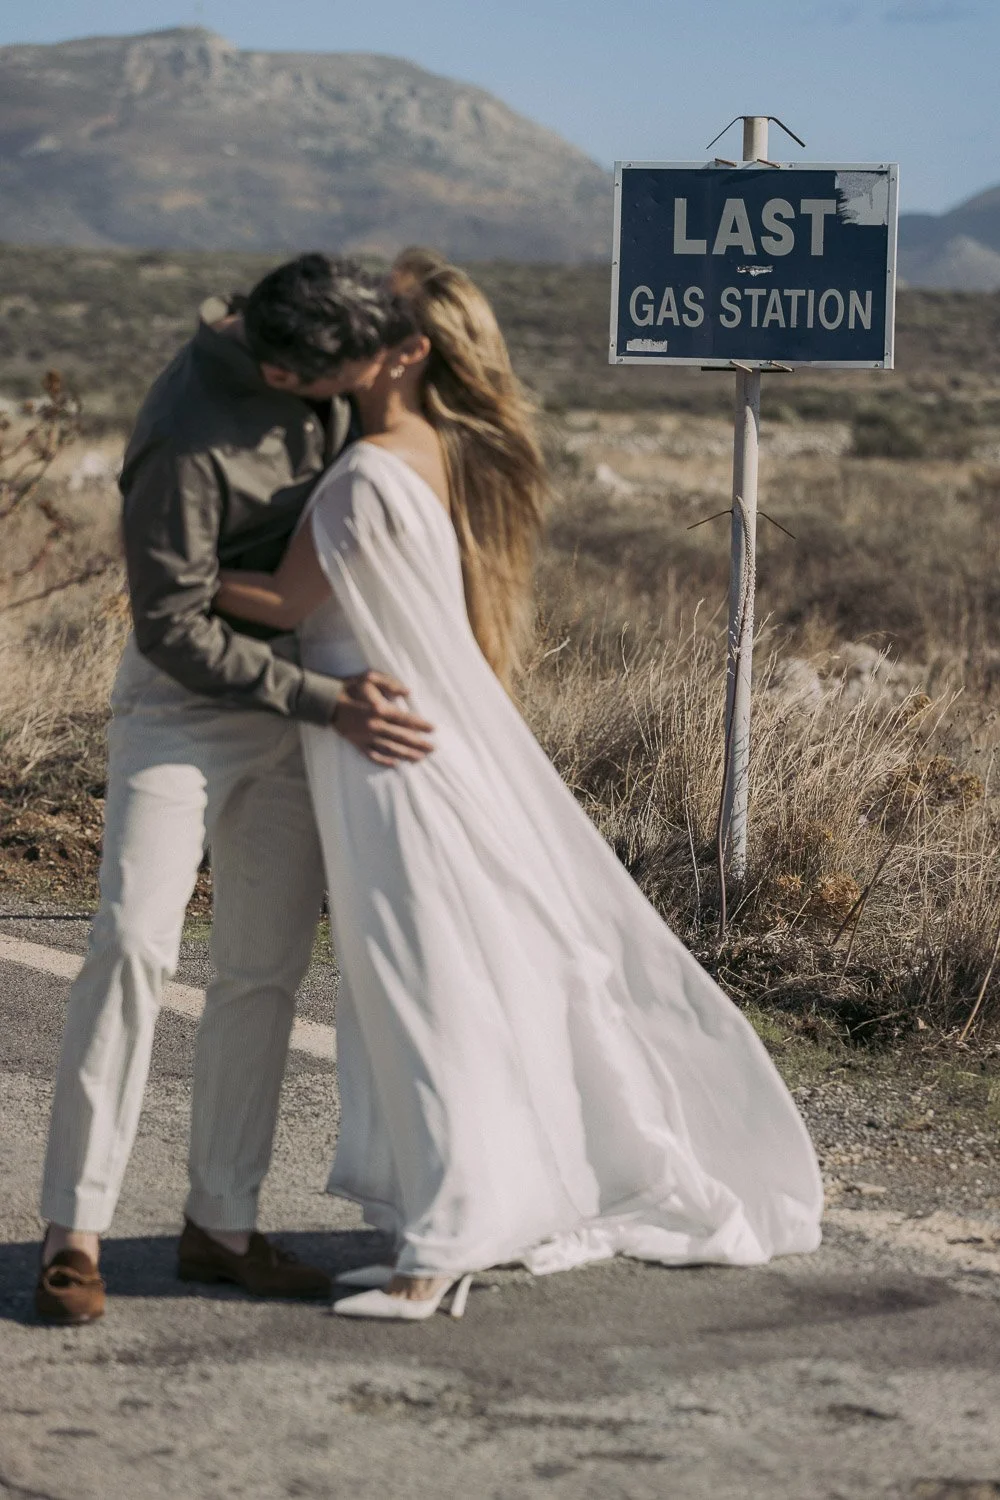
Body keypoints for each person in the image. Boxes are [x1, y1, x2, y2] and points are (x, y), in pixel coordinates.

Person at [214, 249, 823, 1323]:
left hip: (382, 757)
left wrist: (163, 570)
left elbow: (281, 601)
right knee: (447, 984)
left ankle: (434, 1253)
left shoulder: (363, 474)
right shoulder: (435, 450)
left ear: (406, 352)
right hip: (407, 748)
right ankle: (446, 1222)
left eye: (381, 313)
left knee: (421, 992)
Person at [34, 256, 435, 1326]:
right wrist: (324, 698)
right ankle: (72, 1234)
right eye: (345, 375)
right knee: (130, 943)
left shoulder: (329, 356)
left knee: (261, 968)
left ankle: (221, 1225)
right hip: (181, 709)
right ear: (279, 364)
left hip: (304, 703)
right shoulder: (184, 434)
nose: (363, 387)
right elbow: (168, 623)